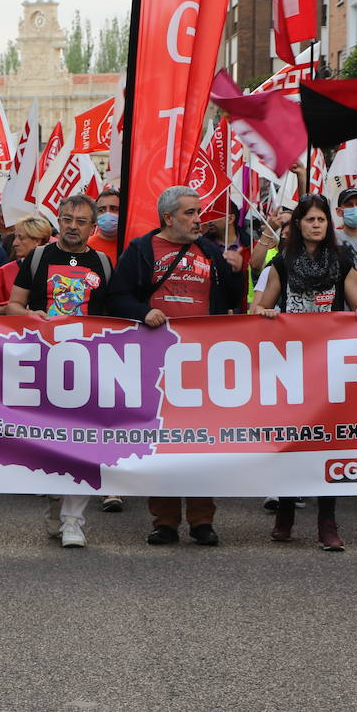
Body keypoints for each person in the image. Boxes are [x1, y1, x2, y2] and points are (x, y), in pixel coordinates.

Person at [107, 186, 245, 547]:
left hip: (203, 363)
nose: (199, 218)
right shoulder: (140, 250)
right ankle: (165, 522)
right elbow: (116, 296)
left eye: (199, 211)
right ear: (168, 218)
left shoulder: (212, 252)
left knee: (201, 443)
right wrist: (143, 312)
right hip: (157, 362)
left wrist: (238, 272)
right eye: (190, 213)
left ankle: (202, 521)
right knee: (163, 442)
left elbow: (233, 300)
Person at [252, 194, 357, 551]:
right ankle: (286, 513)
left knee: (327, 443)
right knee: (293, 441)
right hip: (291, 365)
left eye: (322, 219)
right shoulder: (282, 263)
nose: (317, 225)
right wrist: (268, 313)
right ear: (298, 225)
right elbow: (261, 305)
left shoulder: (340, 260)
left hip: (329, 364)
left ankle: (327, 522)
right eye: (310, 220)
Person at [7, 195, 113, 547]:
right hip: (43, 363)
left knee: (81, 442)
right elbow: (14, 305)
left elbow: (113, 315)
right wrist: (29, 316)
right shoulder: (38, 258)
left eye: (81, 221)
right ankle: (57, 505)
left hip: (87, 365)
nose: (72, 225)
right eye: (67, 218)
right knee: (50, 446)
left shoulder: (102, 262)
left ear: (92, 227)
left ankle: (73, 521)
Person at [0, 215, 53, 313]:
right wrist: (8, 309)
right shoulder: (4, 272)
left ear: (37, 240)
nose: (14, 243)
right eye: (15, 237)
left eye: (21, 238)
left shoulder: (58, 268)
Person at [87, 187, 120, 266]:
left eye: (114, 208)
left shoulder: (133, 246)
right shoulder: (87, 247)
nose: (107, 213)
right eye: (101, 210)